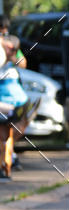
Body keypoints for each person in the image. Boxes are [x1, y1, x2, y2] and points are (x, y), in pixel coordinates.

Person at [0, 42, 29, 180]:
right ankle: (5, 168)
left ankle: (6, 165)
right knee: (4, 135)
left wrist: (13, 55)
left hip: (17, 100)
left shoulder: (11, 43)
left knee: (11, 133)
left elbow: (23, 63)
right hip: (3, 101)